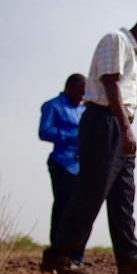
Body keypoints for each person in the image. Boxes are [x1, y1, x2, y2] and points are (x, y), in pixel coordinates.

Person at [41, 15, 137, 274]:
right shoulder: (116, 40)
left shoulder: (129, 51)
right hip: (106, 122)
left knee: (123, 195)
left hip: (119, 124)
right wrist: (124, 127)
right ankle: (60, 254)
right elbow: (110, 82)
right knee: (90, 191)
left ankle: (129, 257)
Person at [39, 73, 88, 263]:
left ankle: (77, 255)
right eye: (80, 92)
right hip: (62, 163)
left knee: (82, 210)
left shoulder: (84, 110)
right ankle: (58, 254)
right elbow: (45, 131)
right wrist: (74, 137)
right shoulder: (53, 105)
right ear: (69, 87)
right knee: (63, 207)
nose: (82, 96)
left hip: (82, 165)